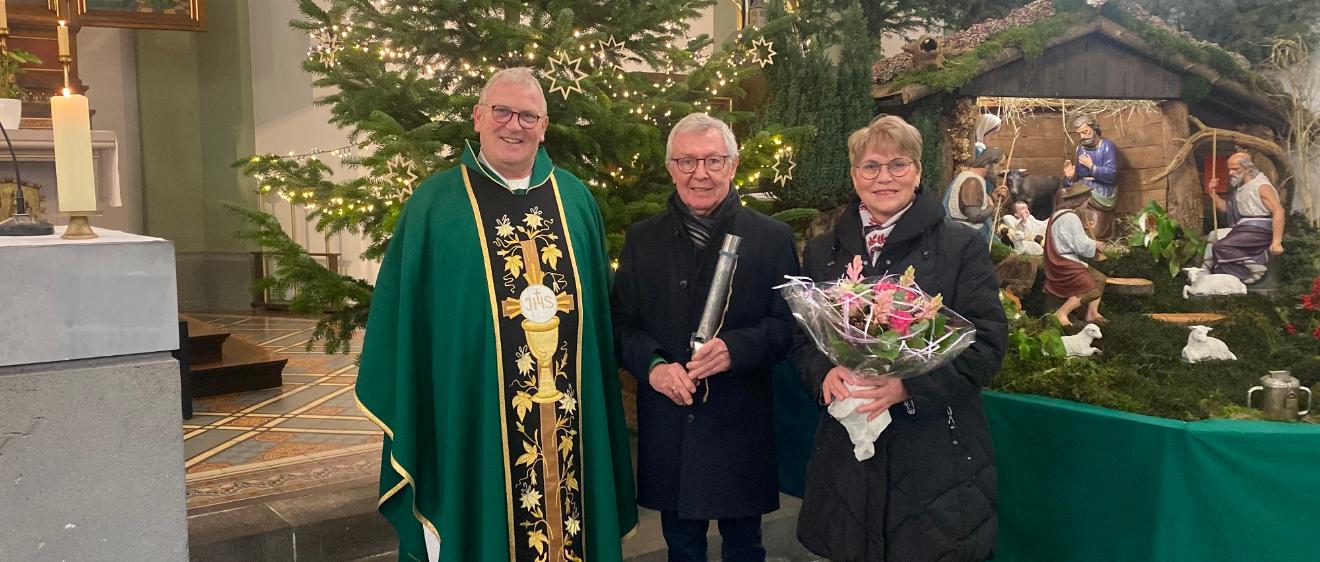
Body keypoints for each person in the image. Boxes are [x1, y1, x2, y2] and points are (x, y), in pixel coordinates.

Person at [355, 68, 637, 562]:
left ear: (544, 126)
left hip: (569, 419)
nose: (514, 125)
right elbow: (405, 331)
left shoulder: (575, 201)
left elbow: (601, 324)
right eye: (502, 112)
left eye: (528, 115)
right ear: (478, 117)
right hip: (472, 421)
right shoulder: (435, 207)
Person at [791, 115, 1007, 561]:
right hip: (849, 449)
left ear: (918, 172)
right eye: (870, 166)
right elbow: (801, 339)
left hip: (932, 453)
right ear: (854, 176)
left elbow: (986, 344)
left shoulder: (961, 246)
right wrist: (824, 373)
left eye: (897, 165)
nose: (883, 177)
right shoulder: (823, 250)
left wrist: (908, 386)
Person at [611, 112, 800, 562]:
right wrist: (653, 366)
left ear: (732, 166)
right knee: (681, 545)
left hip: (741, 421)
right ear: (670, 167)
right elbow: (619, 324)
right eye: (687, 161)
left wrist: (737, 349)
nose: (700, 174)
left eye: (713, 161)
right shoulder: (642, 239)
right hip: (671, 419)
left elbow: (791, 327)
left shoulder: (771, 238)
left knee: (745, 546)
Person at [1205, 151, 1285, 284]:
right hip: (1243, 228)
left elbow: (1278, 211)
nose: (1230, 173)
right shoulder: (1241, 188)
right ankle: (1212, 273)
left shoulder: (1261, 186)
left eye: (1235, 169)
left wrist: (1277, 241)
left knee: (1221, 246)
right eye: (1229, 169)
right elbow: (1225, 208)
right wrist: (1212, 193)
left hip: (1259, 230)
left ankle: (1250, 269)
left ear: (1248, 168)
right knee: (1213, 236)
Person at [1056, 114, 1120, 239]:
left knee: (1088, 219)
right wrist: (1070, 177)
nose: (1082, 136)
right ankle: (1061, 233)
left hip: (1101, 189)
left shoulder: (1107, 147)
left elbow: (1111, 175)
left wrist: (1092, 167)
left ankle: (1082, 235)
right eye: (1079, 134)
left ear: (1094, 128)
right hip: (1083, 187)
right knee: (1061, 194)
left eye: (1085, 132)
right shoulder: (1080, 148)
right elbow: (1077, 179)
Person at [1043, 208, 1107, 327]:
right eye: (1086, 202)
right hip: (1063, 261)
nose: (1086, 205)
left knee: (1100, 278)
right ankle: (1061, 313)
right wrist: (1095, 244)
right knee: (1092, 290)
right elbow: (1079, 244)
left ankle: (1091, 313)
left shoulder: (1061, 213)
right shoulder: (1070, 217)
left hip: (1067, 257)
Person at [944, 147, 1008, 240]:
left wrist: (992, 197)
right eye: (1000, 165)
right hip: (966, 237)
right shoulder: (972, 182)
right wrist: (991, 207)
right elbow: (974, 216)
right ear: (988, 164)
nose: (1001, 170)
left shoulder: (973, 178)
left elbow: (976, 205)